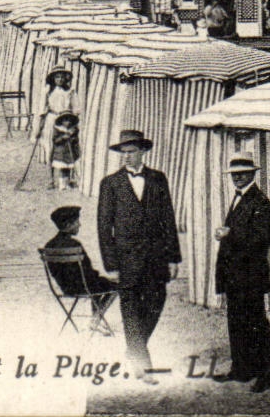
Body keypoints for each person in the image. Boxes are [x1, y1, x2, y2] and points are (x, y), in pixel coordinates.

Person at [96, 129, 181, 384]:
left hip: (156, 258)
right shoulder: (110, 183)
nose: (127, 157)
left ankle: (134, 349)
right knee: (130, 309)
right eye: (123, 153)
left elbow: (168, 218)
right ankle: (143, 363)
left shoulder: (158, 179)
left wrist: (174, 258)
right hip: (126, 260)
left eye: (131, 152)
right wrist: (111, 264)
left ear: (142, 152)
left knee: (156, 302)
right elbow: (103, 226)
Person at [213, 154, 270, 392]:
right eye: (234, 174)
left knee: (256, 323)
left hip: (250, 275)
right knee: (237, 322)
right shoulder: (240, 198)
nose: (238, 178)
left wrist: (230, 234)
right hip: (235, 275)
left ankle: (264, 374)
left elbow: (262, 240)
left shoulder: (260, 202)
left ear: (253, 174)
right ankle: (241, 369)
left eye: (242, 173)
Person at [44, 206, 116, 334]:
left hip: (65, 288)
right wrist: (103, 278)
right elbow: (87, 271)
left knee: (98, 284)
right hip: (83, 287)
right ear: (68, 225)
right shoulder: (75, 245)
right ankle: (95, 320)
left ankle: (95, 321)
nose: (80, 225)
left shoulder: (48, 246)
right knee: (114, 286)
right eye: (77, 222)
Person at [40, 68, 75, 164]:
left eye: (62, 77)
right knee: (50, 144)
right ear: (53, 78)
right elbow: (42, 109)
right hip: (52, 119)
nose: (60, 79)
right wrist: (39, 126)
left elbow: (75, 108)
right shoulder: (48, 90)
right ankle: (50, 166)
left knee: (65, 144)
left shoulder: (69, 91)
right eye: (57, 77)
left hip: (65, 120)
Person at [49, 112, 81, 191]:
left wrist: (73, 139)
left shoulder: (74, 130)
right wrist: (63, 138)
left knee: (68, 168)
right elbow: (55, 140)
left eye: (70, 120)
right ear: (61, 121)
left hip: (70, 152)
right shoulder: (57, 129)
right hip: (61, 152)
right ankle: (61, 183)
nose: (68, 122)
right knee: (62, 168)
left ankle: (67, 182)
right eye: (66, 120)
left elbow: (76, 140)